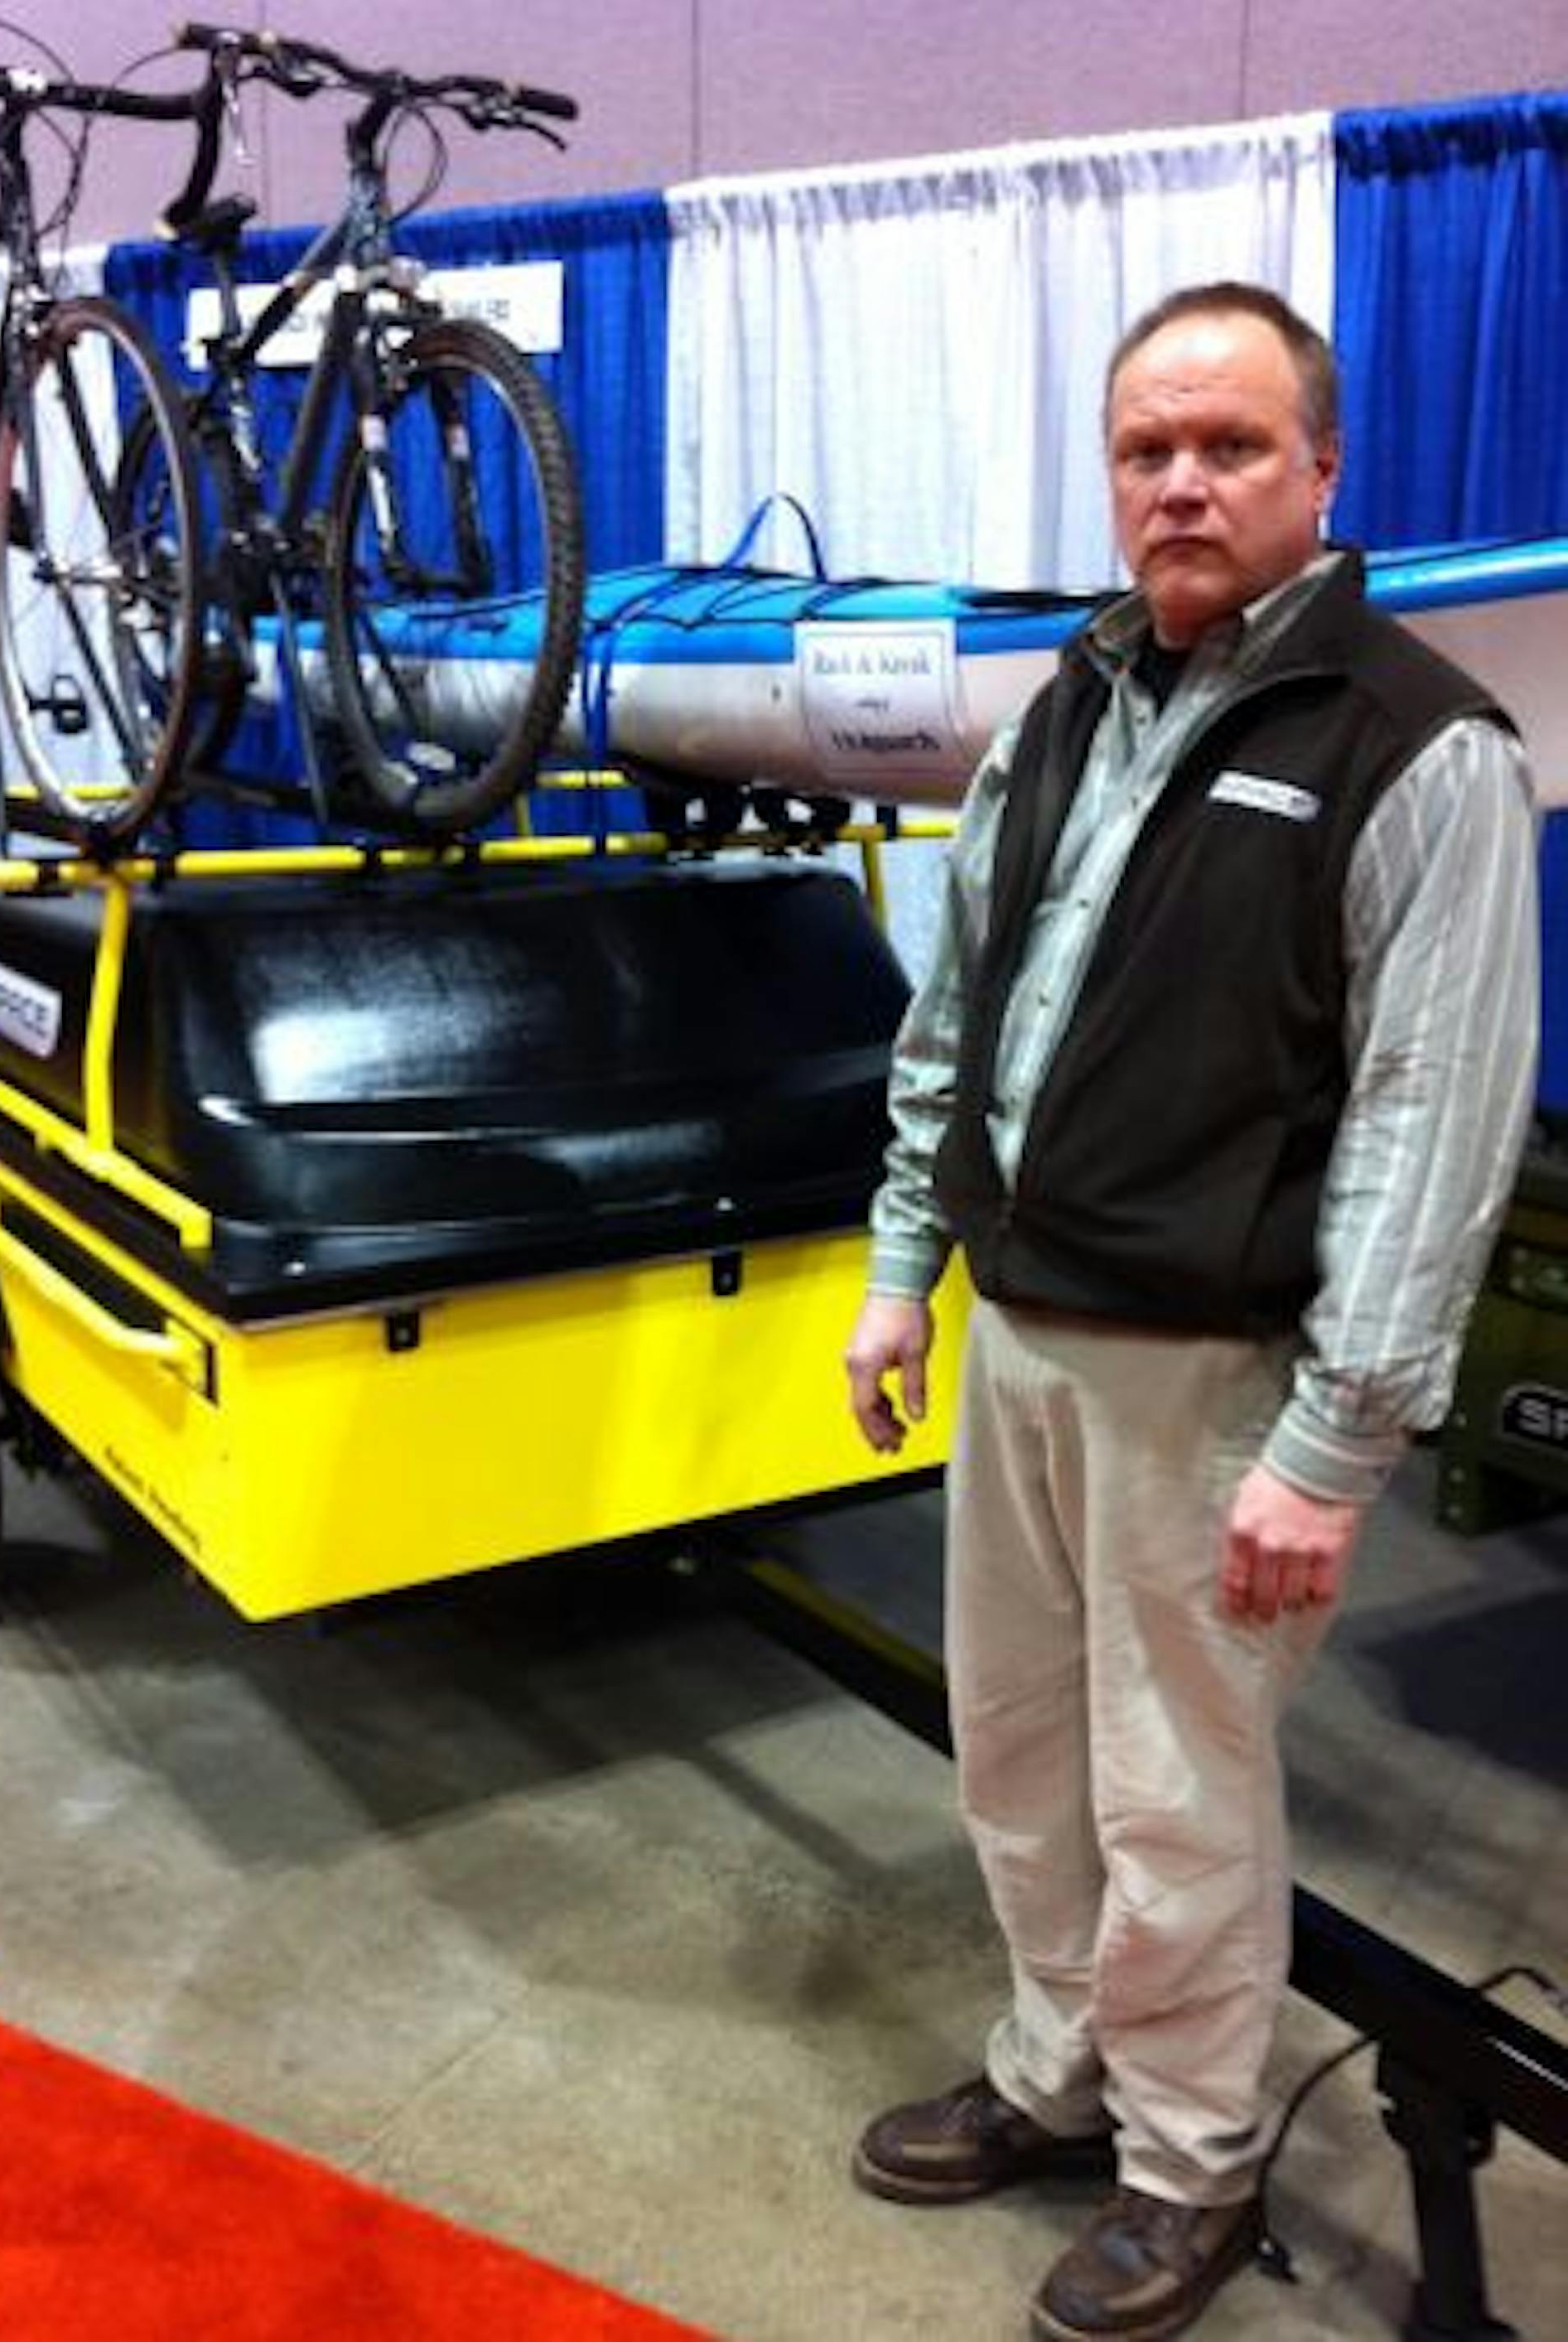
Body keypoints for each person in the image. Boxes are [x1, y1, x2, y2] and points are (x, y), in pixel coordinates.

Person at [843, 280, 1539, 2342]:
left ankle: (1190, 2163)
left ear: (1325, 471)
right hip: (1022, 1337)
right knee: (1021, 1758)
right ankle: (1062, 2072)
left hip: (1216, 1387)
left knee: (1175, 1795)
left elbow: (1435, 1121)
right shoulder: (1065, 703)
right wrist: (904, 1262)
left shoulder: (1421, 746)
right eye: (1147, 448)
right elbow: (959, 1007)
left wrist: (1339, 1446)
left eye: (1228, 445)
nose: (1180, 483)